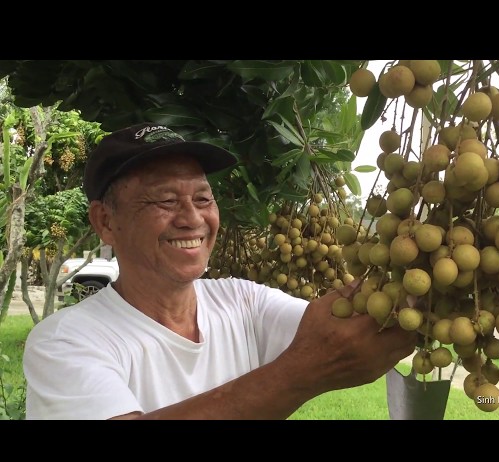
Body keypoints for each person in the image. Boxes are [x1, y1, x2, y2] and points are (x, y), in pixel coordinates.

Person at [23, 122, 417, 420]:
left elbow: (347, 328)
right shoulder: (64, 342)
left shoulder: (243, 300)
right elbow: (316, 355)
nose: (192, 218)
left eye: (202, 197)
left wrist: (417, 265)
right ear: (106, 222)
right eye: (165, 200)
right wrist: (303, 372)